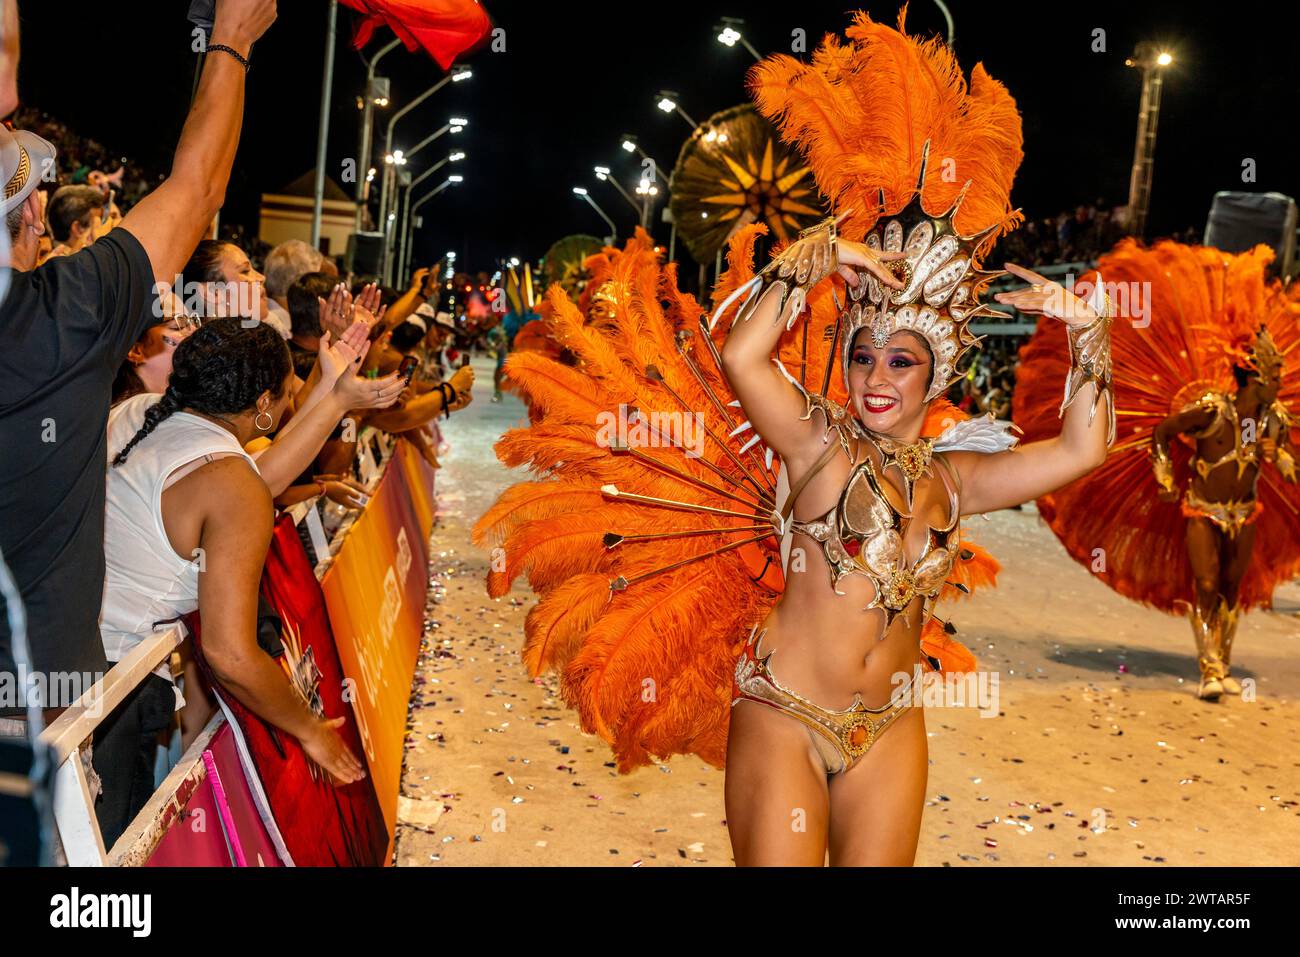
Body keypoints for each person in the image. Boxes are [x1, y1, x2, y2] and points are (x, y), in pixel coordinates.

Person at [473, 12, 1114, 867]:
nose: (877, 377)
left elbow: (1081, 450)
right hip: (783, 713)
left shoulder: (955, 481)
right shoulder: (816, 443)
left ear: (938, 374)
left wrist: (1090, 332)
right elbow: (744, 353)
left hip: (890, 729)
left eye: (901, 360)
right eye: (862, 356)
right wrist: (816, 257)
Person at [0, 0, 279, 719]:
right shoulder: (60, 317)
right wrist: (231, 42)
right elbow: (196, 189)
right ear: (33, 217)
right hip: (36, 728)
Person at [94, 318, 365, 846]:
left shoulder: (137, 413)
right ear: (264, 403)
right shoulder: (234, 486)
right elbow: (229, 652)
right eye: (288, 395)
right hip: (114, 693)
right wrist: (307, 728)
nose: (289, 407)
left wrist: (334, 393)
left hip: (57, 657)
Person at [1012, 239, 1300, 704]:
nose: (1280, 385)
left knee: (1230, 587)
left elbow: (1284, 462)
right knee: (1205, 583)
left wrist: (1283, 461)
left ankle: (1222, 660)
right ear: (1251, 375)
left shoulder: (1272, 419)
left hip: (1245, 511)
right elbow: (1162, 435)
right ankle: (1210, 666)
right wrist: (1164, 476)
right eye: (1273, 378)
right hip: (1202, 509)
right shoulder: (1211, 410)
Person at [42, 185, 110, 262]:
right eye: (100, 221)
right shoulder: (87, 265)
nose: (106, 226)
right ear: (78, 229)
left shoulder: (53, 263)